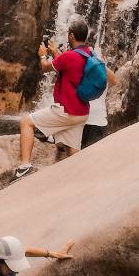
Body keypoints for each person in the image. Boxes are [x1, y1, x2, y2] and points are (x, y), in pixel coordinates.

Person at [15, 15, 94, 179]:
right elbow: (68, 66)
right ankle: (81, 178)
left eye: (68, 33)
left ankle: (24, 166)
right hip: (82, 113)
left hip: (67, 110)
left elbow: (45, 67)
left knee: (26, 122)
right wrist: (55, 52)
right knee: (73, 151)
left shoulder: (69, 56)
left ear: (71, 35)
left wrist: (43, 55)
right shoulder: (88, 53)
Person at [81, 58, 117, 147]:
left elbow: (114, 80)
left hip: (96, 121)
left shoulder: (99, 65)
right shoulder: (77, 64)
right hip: (81, 121)